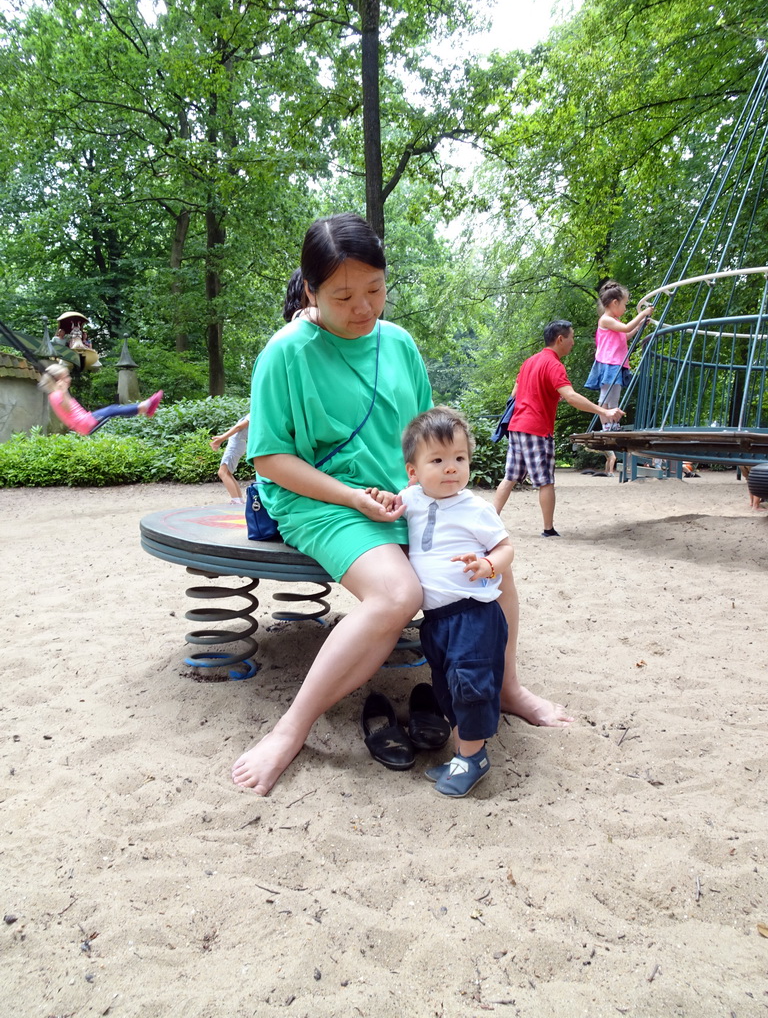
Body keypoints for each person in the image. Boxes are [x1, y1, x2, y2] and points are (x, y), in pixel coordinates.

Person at [232, 213, 571, 797]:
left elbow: (422, 439)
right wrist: (353, 496)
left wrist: (423, 489)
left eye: (375, 290)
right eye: (342, 296)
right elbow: (268, 461)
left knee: (491, 562)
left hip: (403, 496)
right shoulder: (284, 354)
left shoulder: (400, 345)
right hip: (322, 500)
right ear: (310, 292)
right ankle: (291, 728)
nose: (363, 308)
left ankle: (507, 687)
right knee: (398, 594)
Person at [372, 406, 515, 797]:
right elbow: (393, 504)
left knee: (471, 686)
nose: (451, 468)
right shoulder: (412, 498)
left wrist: (488, 563)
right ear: (413, 472)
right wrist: (379, 497)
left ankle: (474, 757)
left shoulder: (477, 509)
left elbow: (506, 548)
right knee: (447, 687)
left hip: (474, 614)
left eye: (459, 458)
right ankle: (461, 755)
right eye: (437, 460)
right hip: (436, 619)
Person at [493, 320, 625, 536]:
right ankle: (548, 529)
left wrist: (547, 396)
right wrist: (604, 411)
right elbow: (572, 397)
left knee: (510, 477)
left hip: (517, 427)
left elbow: (516, 393)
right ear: (560, 339)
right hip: (536, 428)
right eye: (571, 337)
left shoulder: (529, 362)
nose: (573, 342)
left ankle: (489, 522)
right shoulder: (554, 364)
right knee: (546, 481)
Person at [585, 281, 653, 475]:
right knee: (605, 397)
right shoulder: (606, 320)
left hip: (617, 362)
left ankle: (612, 423)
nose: (625, 308)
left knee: (615, 395)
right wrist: (642, 314)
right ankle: (606, 424)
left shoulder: (615, 323)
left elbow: (626, 335)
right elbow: (624, 329)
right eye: (624, 304)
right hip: (608, 362)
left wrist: (641, 324)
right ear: (614, 303)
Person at [39, 363, 163, 434]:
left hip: (85, 421)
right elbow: (67, 409)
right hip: (84, 424)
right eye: (66, 377)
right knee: (112, 410)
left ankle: (145, 408)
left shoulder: (56, 394)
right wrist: (64, 391)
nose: (69, 379)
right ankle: (145, 407)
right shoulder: (57, 395)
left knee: (114, 410)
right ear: (58, 380)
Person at [210, 417, 250, 504]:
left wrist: (221, 438)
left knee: (222, 472)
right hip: (236, 444)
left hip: (235, 445)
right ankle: (238, 499)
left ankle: (236, 500)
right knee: (227, 473)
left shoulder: (252, 414)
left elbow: (238, 427)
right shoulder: (253, 413)